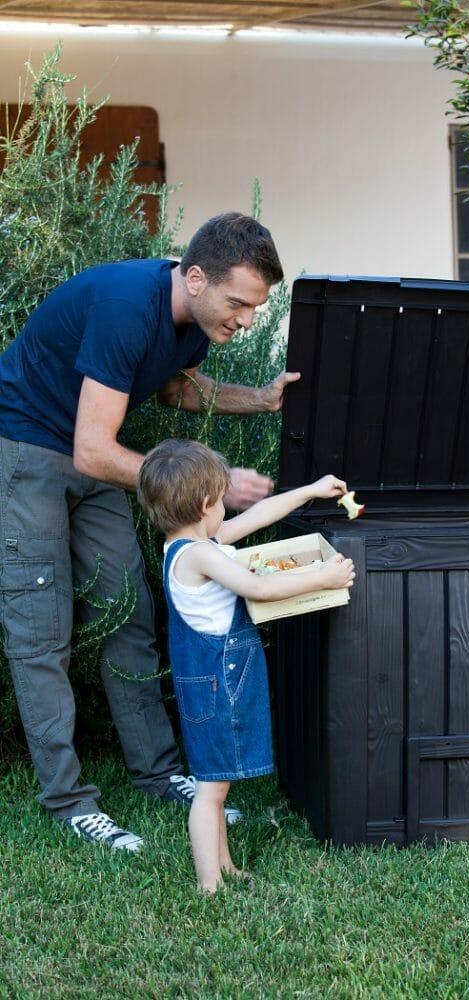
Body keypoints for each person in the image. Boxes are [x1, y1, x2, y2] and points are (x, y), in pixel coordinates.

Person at [0, 212, 300, 851]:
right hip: (26, 454)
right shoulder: (124, 307)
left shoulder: (191, 321)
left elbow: (177, 392)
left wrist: (264, 397)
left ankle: (158, 774)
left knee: (127, 612)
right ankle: (68, 800)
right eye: (239, 303)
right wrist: (205, 489)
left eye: (256, 307)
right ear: (195, 278)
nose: (247, 320)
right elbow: (92, 450)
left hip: (94, 462)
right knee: (41, 633)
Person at [137, 438, 355, 892]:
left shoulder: (187, 544)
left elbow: (255, 517)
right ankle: (208, 883)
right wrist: (324, 576)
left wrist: (309, 490)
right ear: (204, 504)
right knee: (210, 789)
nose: (227, 510)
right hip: (220, 681)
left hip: (211, 679)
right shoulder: (200, 555)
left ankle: (225, 866)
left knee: (216, 785)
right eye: (222, 500)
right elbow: (257, 587)